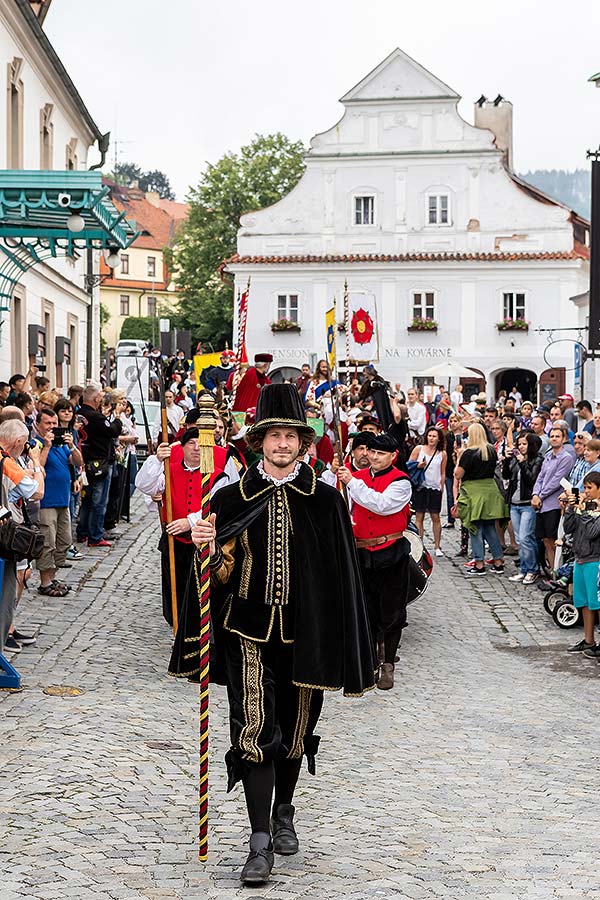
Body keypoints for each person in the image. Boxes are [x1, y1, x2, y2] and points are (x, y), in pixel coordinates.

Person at [173, 383, 375, 885]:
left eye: (291, 437)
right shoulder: (230, 497)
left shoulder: (325, 501)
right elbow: (216, 576)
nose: (282, 445)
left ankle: (285, 810)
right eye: (274, 436)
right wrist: (206, 543)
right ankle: (259, 839)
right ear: (259, 442)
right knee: (255, 730)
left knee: (295, 730)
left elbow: (341, 575)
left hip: (309, 633)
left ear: (304, 444)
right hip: (248, 631)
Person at [136, 427, 238, 628]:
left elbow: (220, 507)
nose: (197, 448)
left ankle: (199, 634)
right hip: (174, 543)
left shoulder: (218, 477)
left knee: (199, 595)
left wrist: (189, 521)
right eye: (191, 443)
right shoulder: (168, 470)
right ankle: (177, 630)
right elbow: (144, 485)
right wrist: (157, 460)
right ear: (181, 447)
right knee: (175, 592)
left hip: (200, 544)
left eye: (201, 444)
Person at [0, 419, 45, 652]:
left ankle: (7, 629)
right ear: (18, 442)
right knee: (7, 587)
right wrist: (36, 462)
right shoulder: (7, 462)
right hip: (5, 536)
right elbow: (37, 491)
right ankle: (4, 633)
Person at [33, 408, 83, 597]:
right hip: (46, 502)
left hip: (63, 500)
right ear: (38, 425)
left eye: (55, 424)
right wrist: (46, 446)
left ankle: (52, 578)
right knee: (48, 542)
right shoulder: (36, 444)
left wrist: (72, 446)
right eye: (48, 423)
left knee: (64, 542)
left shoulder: (61, 445)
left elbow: (77, 462)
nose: (53, 427)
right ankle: (45, 582)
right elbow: (39, 467)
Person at [453, 423, 508, 576]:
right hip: (490, 491)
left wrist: (459, 457)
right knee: (490, 528)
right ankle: (498, 560)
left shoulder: (469, 453)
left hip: (474, 492)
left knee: (475, 528)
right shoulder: (490, 450)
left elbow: (458, 474)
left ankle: (479, 563)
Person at [76, 383, 123, 548]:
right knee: (99, 501)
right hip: (100, 462)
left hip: (86, 461)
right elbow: (113, 431)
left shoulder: (79, 414)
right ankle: (95, 535)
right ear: (96, 398)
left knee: (87, 499)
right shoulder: (95, 417)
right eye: (100, 397)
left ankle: (82, 532)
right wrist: (116, 417)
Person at [560, 473, 600, 655]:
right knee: (583, 602)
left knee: (596, 603)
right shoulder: (583, 507)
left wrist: (583, 510)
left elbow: (592, 532)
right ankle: (589, 640)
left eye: (590, 488)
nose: (586, 492)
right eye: (585, 487)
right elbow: (568, 528)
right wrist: (570, 508)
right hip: (580, 559)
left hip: (595, 561)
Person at [531, 426, 575, 571]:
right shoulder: (548, 456)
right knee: (545, 540)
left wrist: (541, 496)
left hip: (553, 504)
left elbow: (556, 481)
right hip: (542, 503)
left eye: (557, 436)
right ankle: (552, 571)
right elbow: (541, 477)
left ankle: (558, 571)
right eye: (552, 436)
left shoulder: (566, 458)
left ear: (563, 439)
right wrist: (535, 494)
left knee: (553, 539)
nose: (554, 438)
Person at [503, 433, 544, 584]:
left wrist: (522, 463)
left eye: (524, 444)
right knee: (520, 539)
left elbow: (532, 480)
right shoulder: (516, 458)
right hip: (515, 503)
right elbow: (506, 475)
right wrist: (508, 459)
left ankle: (533, 570)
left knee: (527, 537)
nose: (520, 447)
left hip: (528, 504)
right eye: (519, 444)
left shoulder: (537, 460)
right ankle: (524, 569)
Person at [409, 426, 446, 556]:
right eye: (430, 435)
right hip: (420, 486)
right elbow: (408, 465)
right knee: (419, 516)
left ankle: (437, 546)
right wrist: (418, 466)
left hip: (434, 487)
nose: (431, 438)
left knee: (435, 516)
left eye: (434, 436)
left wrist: (441, 488)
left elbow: (442, 472)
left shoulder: (442, 453)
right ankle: (420, 544)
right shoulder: (419, 449)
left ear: (439, 439)